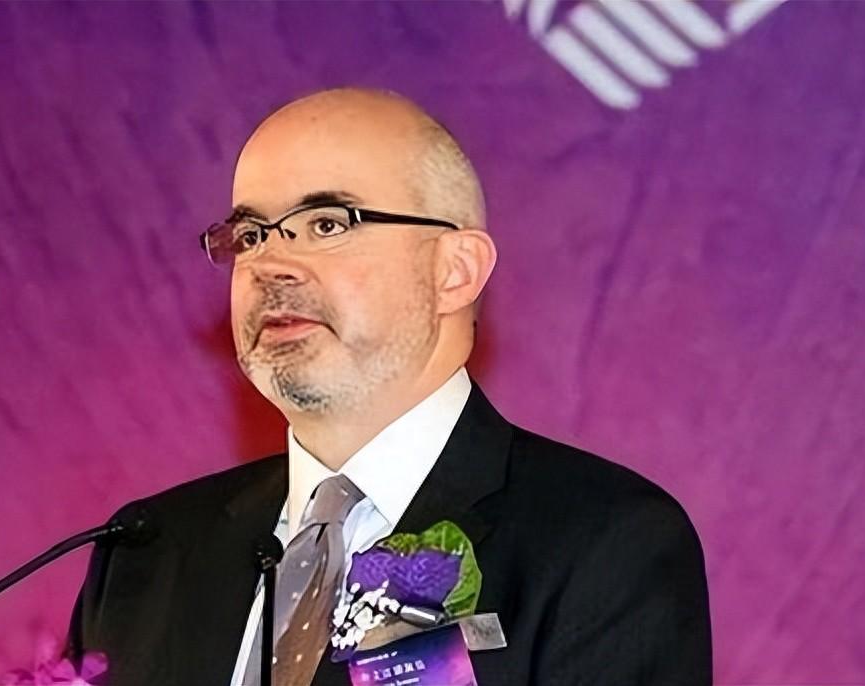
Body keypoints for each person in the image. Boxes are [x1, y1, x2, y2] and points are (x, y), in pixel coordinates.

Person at [67, 88, 711, 685]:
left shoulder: (604, 542)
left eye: (327, 224)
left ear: (454, 271)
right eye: (251, 235)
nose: (270, 265)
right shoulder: (146, 549)